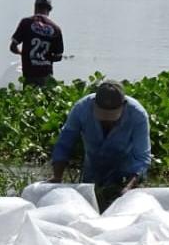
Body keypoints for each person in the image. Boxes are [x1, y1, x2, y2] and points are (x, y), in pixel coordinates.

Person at [50, 81, 151, 212]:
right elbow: (64, 142)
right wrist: (57, 176)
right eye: (102, 117)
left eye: (112, 118)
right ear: (94, 104)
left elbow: (142, 159)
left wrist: (127, 188)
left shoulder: (138, 115)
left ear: (124, 105)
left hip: (125, 173)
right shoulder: (82, 108)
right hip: (92, 169)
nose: (107, 122)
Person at [9, 0, 64, 87]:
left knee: (29, 99)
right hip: (46, 74)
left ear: (35, 8)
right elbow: (58, 56)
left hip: (29, 73)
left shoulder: (25, 23)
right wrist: (47, 59)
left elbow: (13, 47)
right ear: (49, 10)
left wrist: (23, 54)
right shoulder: (56, 29)